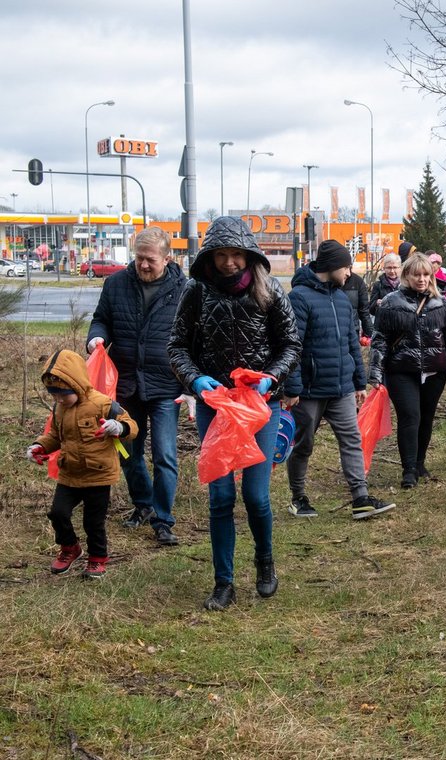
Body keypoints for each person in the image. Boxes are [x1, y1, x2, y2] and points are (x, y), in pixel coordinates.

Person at [168, 216, 301, 611]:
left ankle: (265, 562)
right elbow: (176, 346)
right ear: (210, 256)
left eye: (236, 255)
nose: (229, 263)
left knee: (256, 495)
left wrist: (271, 380)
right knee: (221, 495)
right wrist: (195, 381)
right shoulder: (196, 291)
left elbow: (290, 344)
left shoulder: (269, 289)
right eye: (222, 255)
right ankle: (223, 582)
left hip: (260, 406)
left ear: (248, 255)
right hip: (218, 406)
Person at [86, 226, 189, 547]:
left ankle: (163, 519)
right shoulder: (116, 284)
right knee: (127, 451)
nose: (143, 265)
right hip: (126, 384)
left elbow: (193, 341)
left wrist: (190, 387)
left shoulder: (186, 291)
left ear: (168, 258)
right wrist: (96, 337)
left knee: (165, 456)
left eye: (151, 260)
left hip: (165, 386)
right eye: (139, 258)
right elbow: (101, 318)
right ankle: (143, 504)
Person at [284, 240, 396, 520]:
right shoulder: (299, 297)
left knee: (352, 439)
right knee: (303, 444)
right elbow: (292, 346)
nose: (349, 272)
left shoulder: (343, 300)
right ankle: (298, 498)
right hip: (308, 390)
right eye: (346, 266)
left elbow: (351, 345)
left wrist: (359, 382)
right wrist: (292, 388)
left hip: (342, 387)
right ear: (333, 266)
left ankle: (361, 498)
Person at [28, 350, 138, 580]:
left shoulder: (104, 404)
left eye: (62, 394)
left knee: (93, 522)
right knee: (57, 513)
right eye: (53, 394)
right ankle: (70, 547)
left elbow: (131, 425)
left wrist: (118, 428)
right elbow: (55, 436)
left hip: (98, 475)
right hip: (70, 474)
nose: (58, 399)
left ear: (76, 384)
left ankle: (97, 559)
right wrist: (39, 446)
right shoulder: (60, 409)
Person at [369, 252, 446, 488]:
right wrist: (375, 373)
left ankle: (420, 463)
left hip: (435, 371)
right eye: (417, 274)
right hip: (402, 370)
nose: (422, 279)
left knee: (426, 417)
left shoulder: (440, 303)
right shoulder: (391, 302)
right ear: (406, 276)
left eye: (426, 274)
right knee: (410, 416)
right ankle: (409, 470)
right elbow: (379, 340)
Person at [341, 266, 374, 340]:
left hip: (352, 330)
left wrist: (369, 333)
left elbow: (364, 310)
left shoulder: (358, 282)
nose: (348, 273)